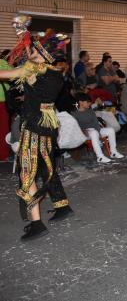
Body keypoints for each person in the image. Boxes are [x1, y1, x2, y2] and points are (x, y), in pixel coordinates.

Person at [0, 15, 73, 241]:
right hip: (47, 126)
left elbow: (5, 74)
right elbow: (31, 48)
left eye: (35, 51)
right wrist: (22, 31)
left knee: (27, 173)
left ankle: (36, 223)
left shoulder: (33, 71)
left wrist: (24, 33)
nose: (29, 53)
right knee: (45, 167)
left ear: (43, 57)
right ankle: (62, 206)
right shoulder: (56, 74)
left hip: (33, 128)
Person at [71, 93, 123, 163]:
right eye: (87, 102)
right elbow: (75, 126)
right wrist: (83, 131)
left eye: (90, 102)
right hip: (84, 133)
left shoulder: (90, 111)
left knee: (110, 130)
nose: (89, 104)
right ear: (81, 102)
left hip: (95, 130)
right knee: (94, 132)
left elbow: (95, 123)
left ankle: (113, 152)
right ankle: (100, 157)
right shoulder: (75, 114)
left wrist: (99, 132)